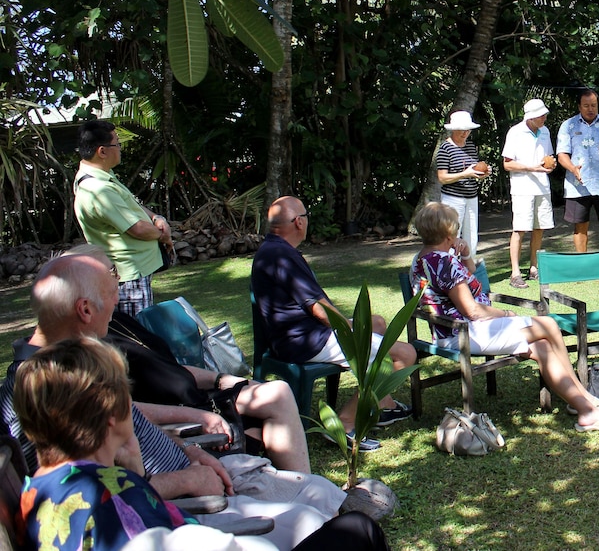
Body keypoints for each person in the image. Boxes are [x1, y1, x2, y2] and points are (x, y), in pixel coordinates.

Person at [0, 254, 353, 550]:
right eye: (112, 295)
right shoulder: (41, 385)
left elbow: (129, 425)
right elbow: (82, 488)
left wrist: (190, 451)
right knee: (327, 524)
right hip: (181, 508)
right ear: (85, 309)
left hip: (197, 471)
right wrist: (185, 480)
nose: (118, 302)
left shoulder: (81, 363)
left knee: (327, 497)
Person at [15, 337, 391, 551]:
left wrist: (130, 464)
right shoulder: (115, 498)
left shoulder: (38, 491)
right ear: (111, 415)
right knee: (359, 532)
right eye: (127, 400)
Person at [410, 202, 599, 433]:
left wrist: (464, 254)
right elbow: (471, 310)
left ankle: (582, 406)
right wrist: (506, 313)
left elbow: (467, 274)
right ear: (449, 233)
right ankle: (586, 399)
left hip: (455, 331)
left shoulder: (422, 258)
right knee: (549, 324)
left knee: (543, 347)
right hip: (465, 333)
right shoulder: (444, 262)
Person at [251, 196, 417, 452]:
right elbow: (318, 310)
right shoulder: (282, 256)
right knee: (405, 354)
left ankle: (383, 404)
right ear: (298, 222)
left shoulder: (274, 249)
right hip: (303, 340)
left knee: (378, 324)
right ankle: (344, 422)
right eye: (305, 216)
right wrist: (349, 329)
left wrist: (356, 325)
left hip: (297, 333)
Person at [73, 119, 174, 317]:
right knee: (137, 340)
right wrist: (163, 234)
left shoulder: (103, 176)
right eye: (117, 144)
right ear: (102, 151)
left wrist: (156, 218)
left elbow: (132, 206)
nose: (120, 149)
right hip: (128, 280)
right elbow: (137, 229)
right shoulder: (98, 189)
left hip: (134, 274)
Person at [556, 89, 599, 252]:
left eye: (594, 105)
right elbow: (561, 154)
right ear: (579, 106)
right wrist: (572, 168)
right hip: (577, 184)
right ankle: (583, 264)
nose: (590, 109)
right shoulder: (568, 125)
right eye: (586, 105)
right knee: (580, 225)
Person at [502, 98, 556, 288]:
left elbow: (547, 158)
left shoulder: (545, 131)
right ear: (530, 117)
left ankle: (534, 268)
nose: (544, 118)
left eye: (544, 114)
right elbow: (507, 163)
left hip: (542, 186)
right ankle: (515, 273)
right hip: (522, 187)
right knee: (520, 229)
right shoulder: (515, 132)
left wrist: (550, 164)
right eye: (541, 115)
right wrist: (531, 168)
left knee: (539, 227)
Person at [437, 110, 490, 262]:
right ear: (453, 129)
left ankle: (469, 270)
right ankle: (449, 268)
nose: (465, 133)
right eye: (462, 129)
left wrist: (482, 173)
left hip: (471, 197)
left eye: (468, 129)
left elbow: (473, 170)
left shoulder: (470, 146)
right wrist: (465, 174)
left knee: (472, 235)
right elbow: (442, 177)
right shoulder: (445, 148)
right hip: (452, 199)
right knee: (451, 235)